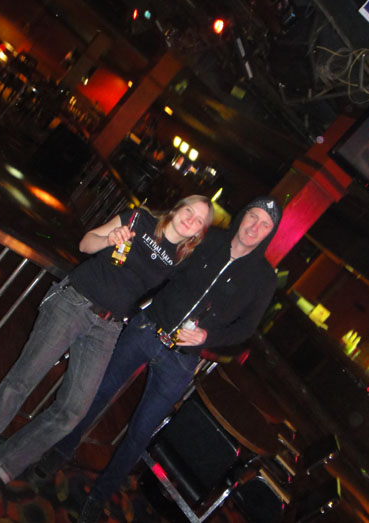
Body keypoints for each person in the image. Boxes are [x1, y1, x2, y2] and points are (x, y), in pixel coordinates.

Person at [0, 195, 213, 504]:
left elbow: (187, 298)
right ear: (176, 208)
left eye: (199, 221)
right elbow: (85, 244)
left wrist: (202, 335)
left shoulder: (181, 261)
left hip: (108, 327)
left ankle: (5, 465)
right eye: (189, 211)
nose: (191, 220)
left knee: (73, 411)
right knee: (20, 382)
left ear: (199, 232)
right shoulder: (138, 219)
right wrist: (108, 240)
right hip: (74, 303)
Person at [42, 196, 282, 523]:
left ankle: (100, 495)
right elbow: (167, 258)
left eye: (265, 224)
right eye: (253, 216)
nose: (255, 227)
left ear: (270, 233)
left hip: (182, 360)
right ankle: (60, 450)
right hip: (147, 328)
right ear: (242, 216)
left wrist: (208, 337)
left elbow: (247, 328)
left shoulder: (263, 278)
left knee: (141, 431)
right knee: (98, 392)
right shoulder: (208, 238)